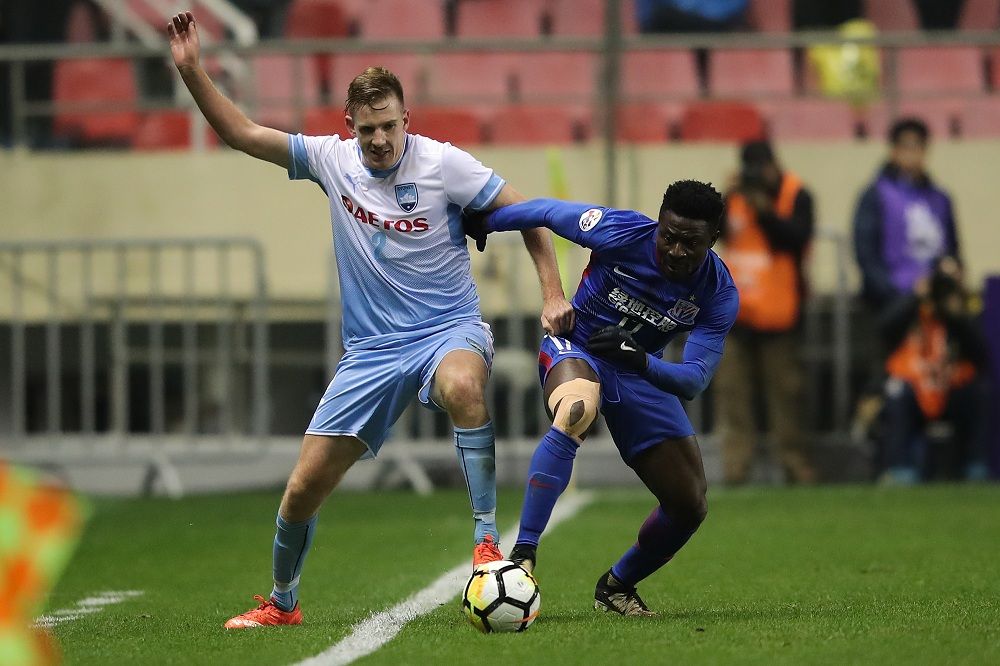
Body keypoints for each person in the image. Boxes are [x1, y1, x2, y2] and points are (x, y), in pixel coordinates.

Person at [166, 11, 573, 629]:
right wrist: (193, 70)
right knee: (302, 491)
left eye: (389, 126)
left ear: (407, 121)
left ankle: (487, 544)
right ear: (348, 126)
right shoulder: (331, 161)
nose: (379, 140)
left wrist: (551, 294)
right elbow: (243, 133)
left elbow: (532, 215)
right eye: (367, 130)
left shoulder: (444, 165)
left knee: (464, 384)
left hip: (448, 331)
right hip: (372, 352)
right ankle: (282, 603)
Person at [464, 180, 739, 616]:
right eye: (668, 235)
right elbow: (547, 211)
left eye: (691, 243)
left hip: (639, 371)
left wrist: (639, 360)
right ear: (658, 223)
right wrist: (485, 222)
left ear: (713, 241)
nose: (675, 250)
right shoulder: (621, 231)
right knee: (577, 408)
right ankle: (523, 554)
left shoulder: (719, 292)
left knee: (689, 503)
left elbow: (694, 379)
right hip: (577, 348)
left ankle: (616, 586)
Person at [715, 141, 816, 485]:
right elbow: (714, 235)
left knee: (786, 394)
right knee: (733, 395)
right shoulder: (735, 198)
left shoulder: (796, 195)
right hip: (736, 313)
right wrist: (724, 199)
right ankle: (736, 468)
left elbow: (797, 239)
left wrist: (766, 212)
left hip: (780, 313)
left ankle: (794, 464)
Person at [878, 256, 990, 483]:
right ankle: (900, 467)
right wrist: (916, 297)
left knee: (981, 392)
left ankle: (976, 464)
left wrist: (954, 312)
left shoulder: (968, 306)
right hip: (916, 385)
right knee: (897, 393)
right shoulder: (915, 306)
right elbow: (884, 329)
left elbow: (981, 353)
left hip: (952, 387)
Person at [853, 117, 961, 311]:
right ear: (894, 151)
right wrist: (891, 293)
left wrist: (951, 273)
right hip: (894, 299)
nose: (911, 154)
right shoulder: (876, 195)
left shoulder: (940, 198)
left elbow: (953, 249)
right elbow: (865, 254)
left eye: (917, 146)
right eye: (905, 146)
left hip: (937, 297)